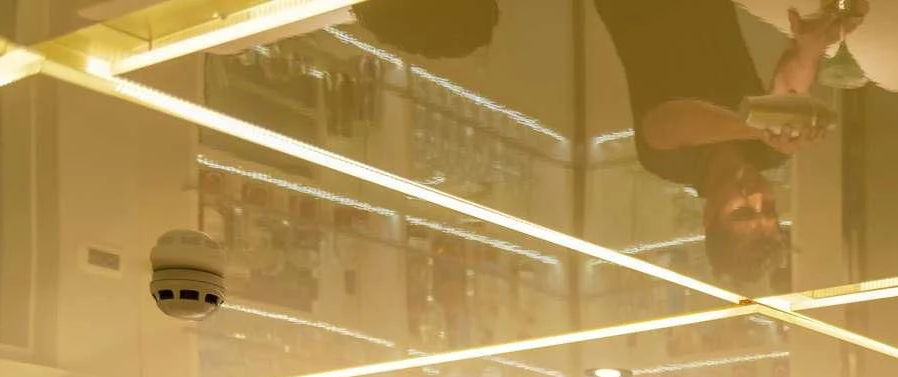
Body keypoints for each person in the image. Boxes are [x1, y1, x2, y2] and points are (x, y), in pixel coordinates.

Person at [349, 0, 854, 291]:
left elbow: (672, 120)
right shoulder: (764, 151)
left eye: (743, 213)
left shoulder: (666, 160)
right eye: (767, 207)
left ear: (708, 218)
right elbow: (790, 88)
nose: (755, 195)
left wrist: (759, 127)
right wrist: (809, 48)